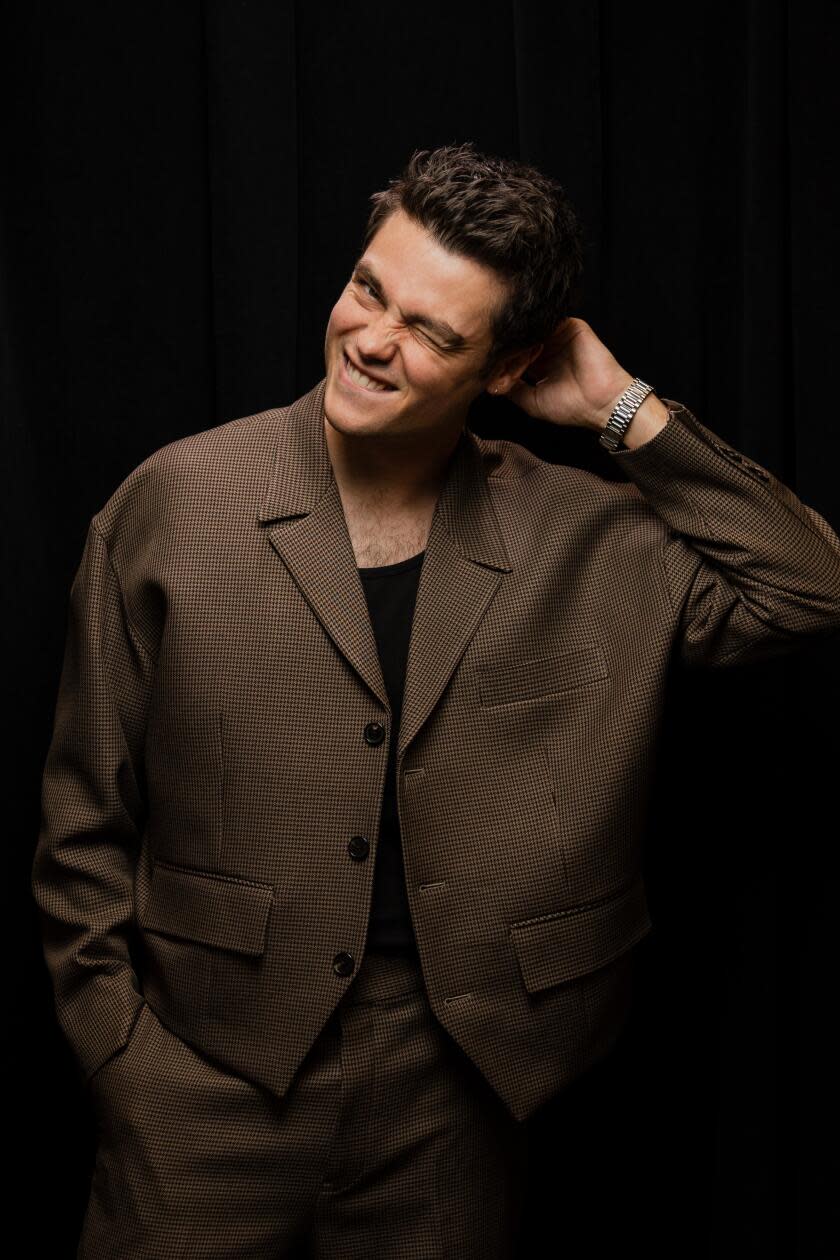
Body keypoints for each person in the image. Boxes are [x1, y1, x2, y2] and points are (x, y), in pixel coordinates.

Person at [31, 141, 840, 1259]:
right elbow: (85, 816)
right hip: (201, 1076)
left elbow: (809, 588)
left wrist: (619, 407)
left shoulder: (586, 535)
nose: (371, 340)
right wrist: (122, 1058)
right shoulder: (175, 501)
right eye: (370, 288)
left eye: (432, 332)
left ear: (506, 371)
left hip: (456, 1093)